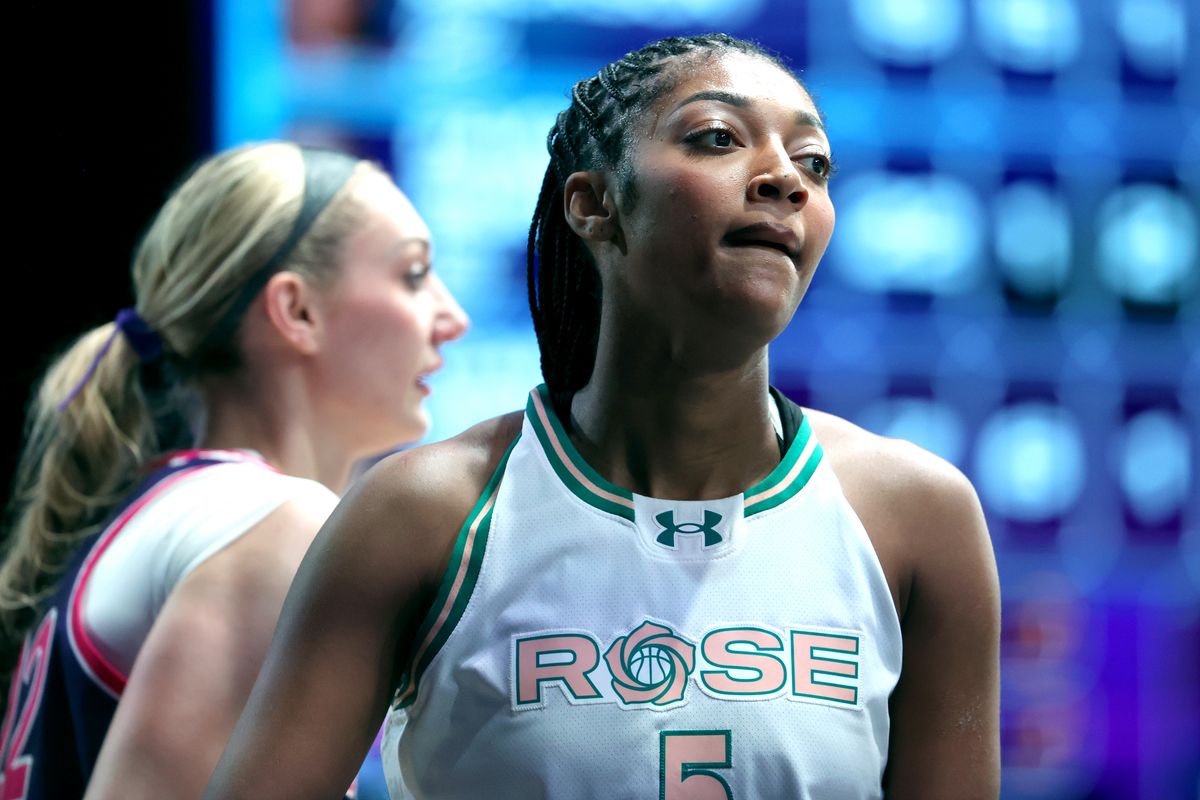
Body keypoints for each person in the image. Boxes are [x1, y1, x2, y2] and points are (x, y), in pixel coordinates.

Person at [205, 34, 1000, 799]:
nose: (787, 181)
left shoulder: (919, 518)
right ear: (593, 204)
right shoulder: (421, 514)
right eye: (721, 138)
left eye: (814, 163)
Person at [0, 140, 468, 799]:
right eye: (414, 274)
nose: (454, 318)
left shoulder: (175, 511)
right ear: (296, 311)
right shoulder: (271, 528)